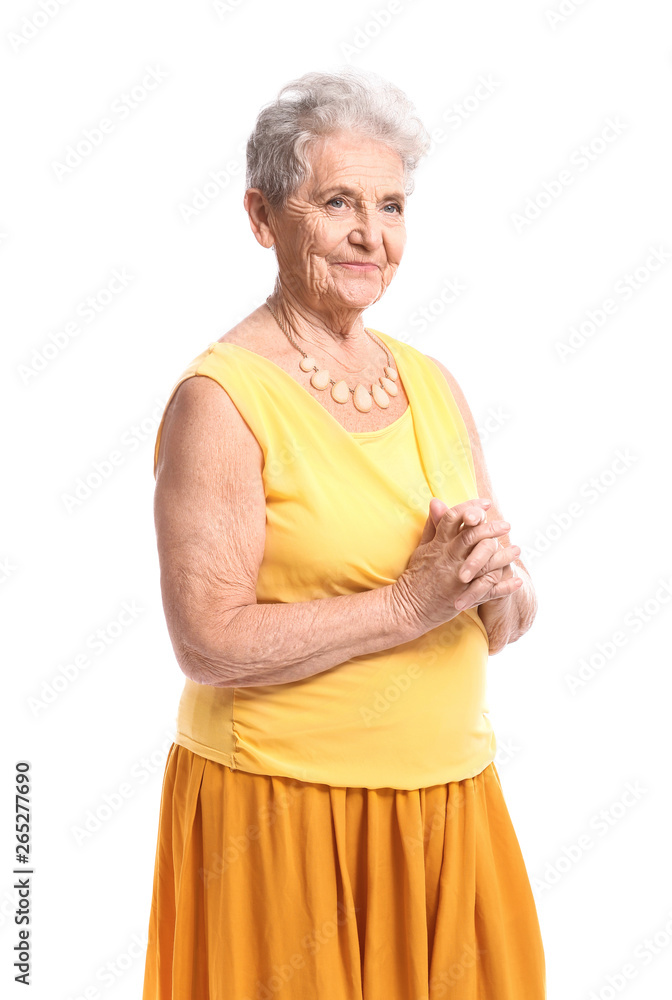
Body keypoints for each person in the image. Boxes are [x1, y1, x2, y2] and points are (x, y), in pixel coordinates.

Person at [142, 67, 546, 1000]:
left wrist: (496, 583)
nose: (373, 235)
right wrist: (412, 600)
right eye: (338, 203)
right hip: (284, 818)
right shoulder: (223, 400)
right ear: (262, 216)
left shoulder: (432, 382)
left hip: (450, 806)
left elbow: (504, 618)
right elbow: (207, 640)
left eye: (393, 206)